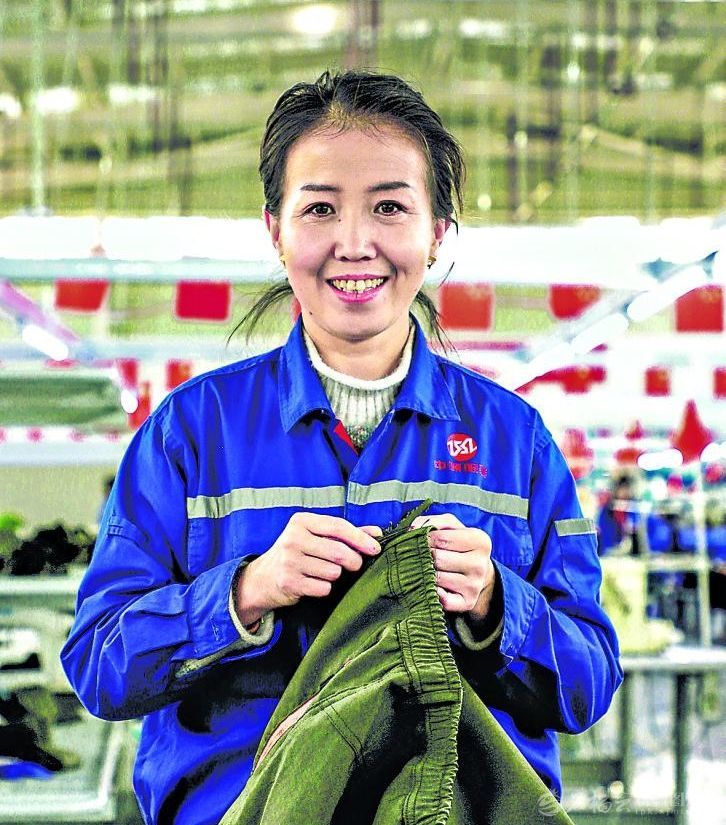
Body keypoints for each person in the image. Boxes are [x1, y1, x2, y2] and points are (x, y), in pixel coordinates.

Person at [61, 70, 622, 825]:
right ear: (276, 230)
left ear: (437, 233)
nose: (354, 245)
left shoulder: (514, 442)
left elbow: (590, 682)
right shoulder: (190, 433)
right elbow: (99, 665)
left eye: (390, 206)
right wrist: (244, 592)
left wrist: (496, 603)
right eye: (320, 208)